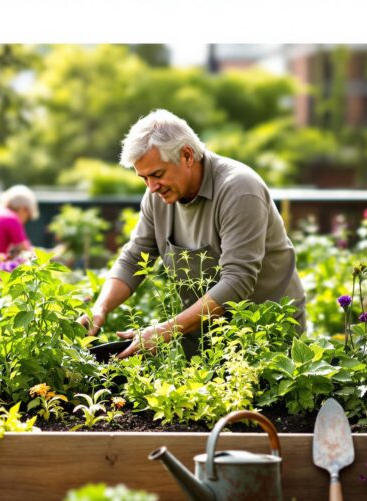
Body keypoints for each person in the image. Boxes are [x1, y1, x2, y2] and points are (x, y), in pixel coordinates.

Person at [80, 109, 306, 359]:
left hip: (266, 335)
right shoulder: (157, 196)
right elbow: (134, 258)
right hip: (205, 334)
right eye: (143, 178)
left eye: (157, 174)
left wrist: (165, 330)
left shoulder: (239, 189)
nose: (152, 187)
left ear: (186, 155)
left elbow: (237, 281)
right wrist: (100, 309)